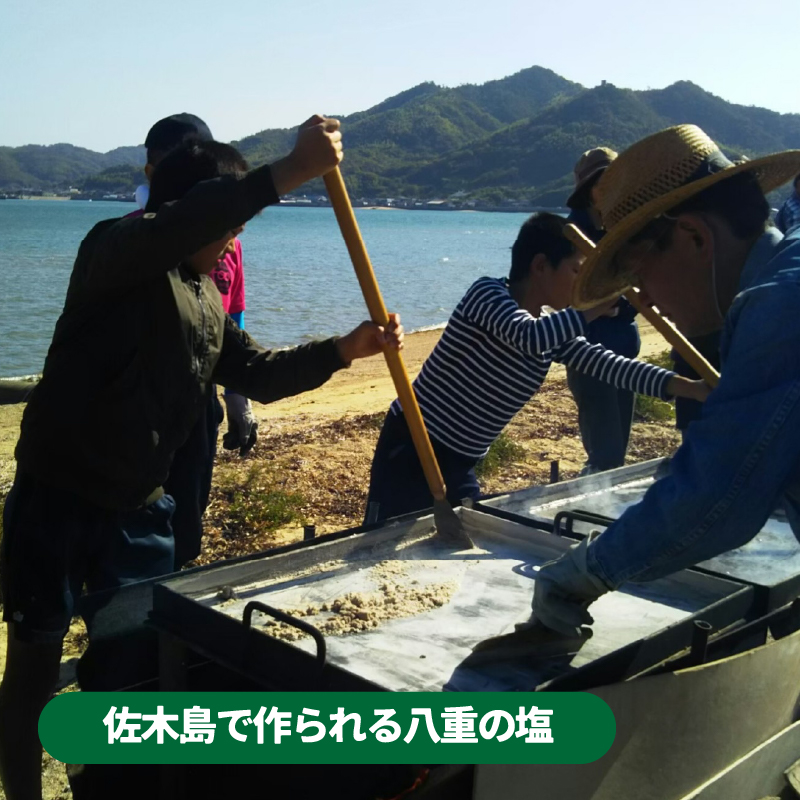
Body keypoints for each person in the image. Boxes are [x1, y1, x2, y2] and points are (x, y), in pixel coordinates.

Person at [0, 116, 404, 800]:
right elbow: (183, 223)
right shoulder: (117, 251)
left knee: (129, 675)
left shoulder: (208, 299)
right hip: (56, 499)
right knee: (35, 660)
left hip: (136, 515)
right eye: (227, 223)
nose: (232, 241)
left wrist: (344, 350)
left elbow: (260, 373)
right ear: (182, 211)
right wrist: (286, 172)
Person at [524, 124, 800, 639]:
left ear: (695, 238)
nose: (640, 300)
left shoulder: (781, 308)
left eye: (638, 274)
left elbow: (717, 497)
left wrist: (584, 572)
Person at [363, 212, 709, 524]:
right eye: (577, 271)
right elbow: (527, 337)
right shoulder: (488, 295)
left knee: (451, 544)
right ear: (541, 266)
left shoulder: (551, 326)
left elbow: (612, 367)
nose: (581, 284)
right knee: (380, 543)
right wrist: (592, 308)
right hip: (413, 446)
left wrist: (689, 387)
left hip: (460, 462)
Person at [135, 113, 256, 569]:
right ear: (153, 174)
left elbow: (234, 314)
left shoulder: (228, 243)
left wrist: (238, 398)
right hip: (149, 402)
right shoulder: (135, 237)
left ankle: (177, 581)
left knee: (188, 513)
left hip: (202, 395)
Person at [565, 148, 641, 474]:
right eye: (602, 184)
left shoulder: (626, 227)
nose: (609, 192)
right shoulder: (571, 234)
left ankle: (605, 501)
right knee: (604, 449)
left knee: (618, 443)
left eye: (615, 183)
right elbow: (566, 293)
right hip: (590, 347)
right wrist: (603, 306)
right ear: (587, 190)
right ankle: (593, 507)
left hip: (624, 341)